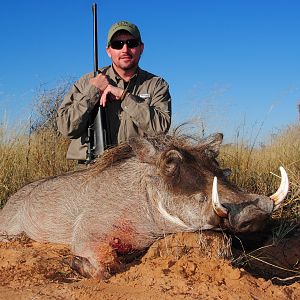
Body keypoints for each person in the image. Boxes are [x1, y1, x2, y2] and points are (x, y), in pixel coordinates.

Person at [57, 21, 172, 162]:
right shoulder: (87, 81)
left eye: (131, 43)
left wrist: (124, 96)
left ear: (141, 48)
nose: (125, 49)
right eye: (118, 45)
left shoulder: (157, 84)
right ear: (108, 51)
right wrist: (94, 90)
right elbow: (66, 128)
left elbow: (160, 128)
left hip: (138, 169)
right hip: (92, 169)